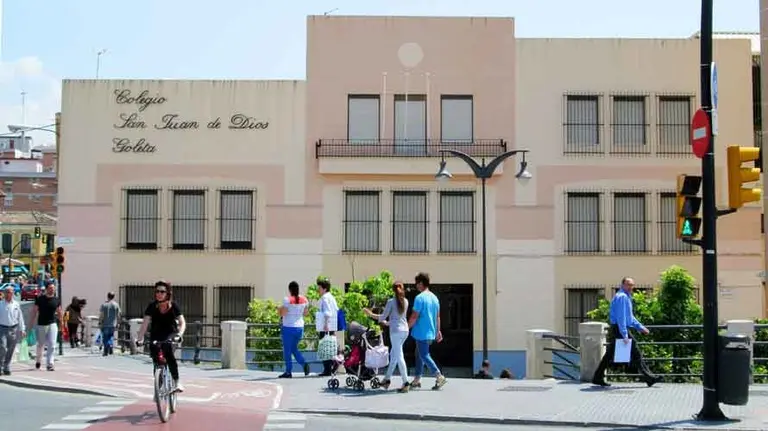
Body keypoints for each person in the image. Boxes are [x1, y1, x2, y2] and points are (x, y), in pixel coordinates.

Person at [592, 277, 660, 387]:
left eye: (632, 285)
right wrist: (624, 335)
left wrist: (640, 327)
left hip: (618, 328)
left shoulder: (625, 297)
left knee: (609, 355)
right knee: (636, 352)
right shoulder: (622, 297)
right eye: (628, 285)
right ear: (622, 285)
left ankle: (597, 377)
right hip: (620, 329)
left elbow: (630, 317)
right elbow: (621, 318)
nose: (631, 287)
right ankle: (649, 378)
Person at [136, 280, 187, 392]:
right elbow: (145, 324)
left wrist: (179, 334)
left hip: (170, 334)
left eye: (162, 291)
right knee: (156, 357)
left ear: (167, 293)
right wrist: (139, 339)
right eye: (157, 291)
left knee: (168, 353)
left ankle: (177, 381)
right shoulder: (152, 306)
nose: (159, 294)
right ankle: (158, 388)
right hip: (156, 335)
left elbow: (182, 322)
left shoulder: (174, 306)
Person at [364, 281, 410, 393]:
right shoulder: (406, 301)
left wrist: (369, 313)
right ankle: (387, 379)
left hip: (395, 332)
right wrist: (389, 323)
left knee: (399, 356)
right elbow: (399, 318)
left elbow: (382, 317)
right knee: (394, 355)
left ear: (393, 290)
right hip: (405, 330)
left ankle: (405, 382)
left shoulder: (391, 302)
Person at [408, 272, 447, 390]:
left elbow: (414, 316)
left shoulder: (419, 298)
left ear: (421, 283)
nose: (416, 286)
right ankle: (417, 379)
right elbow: (437, 317)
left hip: (421, 332)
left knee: (424, 355)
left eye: (417, 283)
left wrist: (407, 327)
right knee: (419, 354)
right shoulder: (434, 298)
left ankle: (439, 376)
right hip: (430, 331)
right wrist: (438, 331)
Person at [278, 281, 310, 378]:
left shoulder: (287, 300)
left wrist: (278, 309)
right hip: (300, 328)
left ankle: (288, 372)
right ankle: (304, 364)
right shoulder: (304, 299)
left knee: (287, 350)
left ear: (290, 289)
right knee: (293, 348)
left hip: (288, 328)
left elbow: (282, 313)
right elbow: (305, 313)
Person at [28, 282, 61, 371]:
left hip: (52, 324)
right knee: (41, 344)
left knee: (52, 344)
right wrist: (30, 325)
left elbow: (59, 312)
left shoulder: (56, 300)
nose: (52, 289)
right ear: (46, 289)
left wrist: (61, 323)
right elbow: (34, 312)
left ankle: (50, 364)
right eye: (50, 288)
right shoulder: (40, 299)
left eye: (53, 288)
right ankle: (38, 360)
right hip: (42, 324)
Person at [0, 285, 25, 375]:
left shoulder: (16, 304)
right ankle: (1, 365)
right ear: (4, 293)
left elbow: (20, 317)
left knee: (11, 348)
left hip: (13, 328)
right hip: (2, 328)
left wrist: (22, 329)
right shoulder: (1, 304)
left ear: (13, 294)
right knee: (2, 347)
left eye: (10, 292)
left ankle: (7, 366)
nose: (9, 294)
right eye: (7, 292)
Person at [316, 277, 338, 377]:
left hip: (326, 326)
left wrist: (325, 324)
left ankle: (327, 370)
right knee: (330, 345)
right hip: (332, 325)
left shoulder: (325, 298)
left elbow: (327, 312)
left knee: (324, 346)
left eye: (319, 288)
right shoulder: (331, 297)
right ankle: (331, 368)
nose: (318, 290)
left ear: (324, 289)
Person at [99, 292, 121, 356]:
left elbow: (101, 315)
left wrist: (100, 322)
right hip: (113, 324)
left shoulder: (104, 305)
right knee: (111, 336)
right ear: (113, 297)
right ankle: (110, 345)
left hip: (105, 324)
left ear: (107, 296)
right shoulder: (116, 305)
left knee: (105, 337)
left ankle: (106, 348)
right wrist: (118, 323)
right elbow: (118, 315)